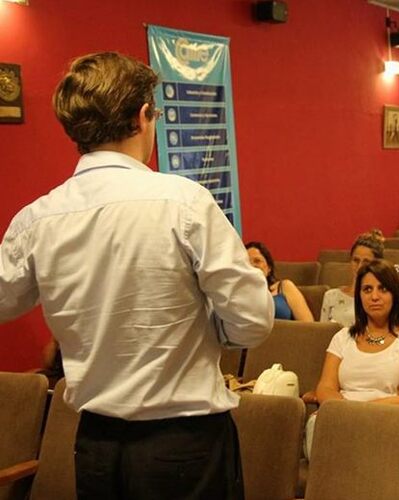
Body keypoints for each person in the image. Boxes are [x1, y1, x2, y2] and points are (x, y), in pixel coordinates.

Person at [0, 52, 274, 498]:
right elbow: (252, 321)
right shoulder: (183, 203)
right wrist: (213, 331)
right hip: (185, 444)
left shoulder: (37, 218)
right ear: (144, 115)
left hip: (94, 445)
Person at [307, 260, 399, 457]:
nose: (374, 296)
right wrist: (345, 412)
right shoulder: (342, 337)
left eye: (382, 289)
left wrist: (360, 412)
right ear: (359, 296)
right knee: (317, 425)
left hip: (385, 420)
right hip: (339, 416)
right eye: (367, 289)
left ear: (395, 294)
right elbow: (325, 388)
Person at [321, 232, 384, 327]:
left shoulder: (378, 299)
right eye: (356, 260)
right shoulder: (331, 296)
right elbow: (321, 334)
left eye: (366, 262)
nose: (359, 266)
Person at [246, 241, 313, 321]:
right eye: (247, 263)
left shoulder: (285, 287)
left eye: (257, 261)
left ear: (269, 268)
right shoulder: (238, 294)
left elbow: (309, 324)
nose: (252, 266)